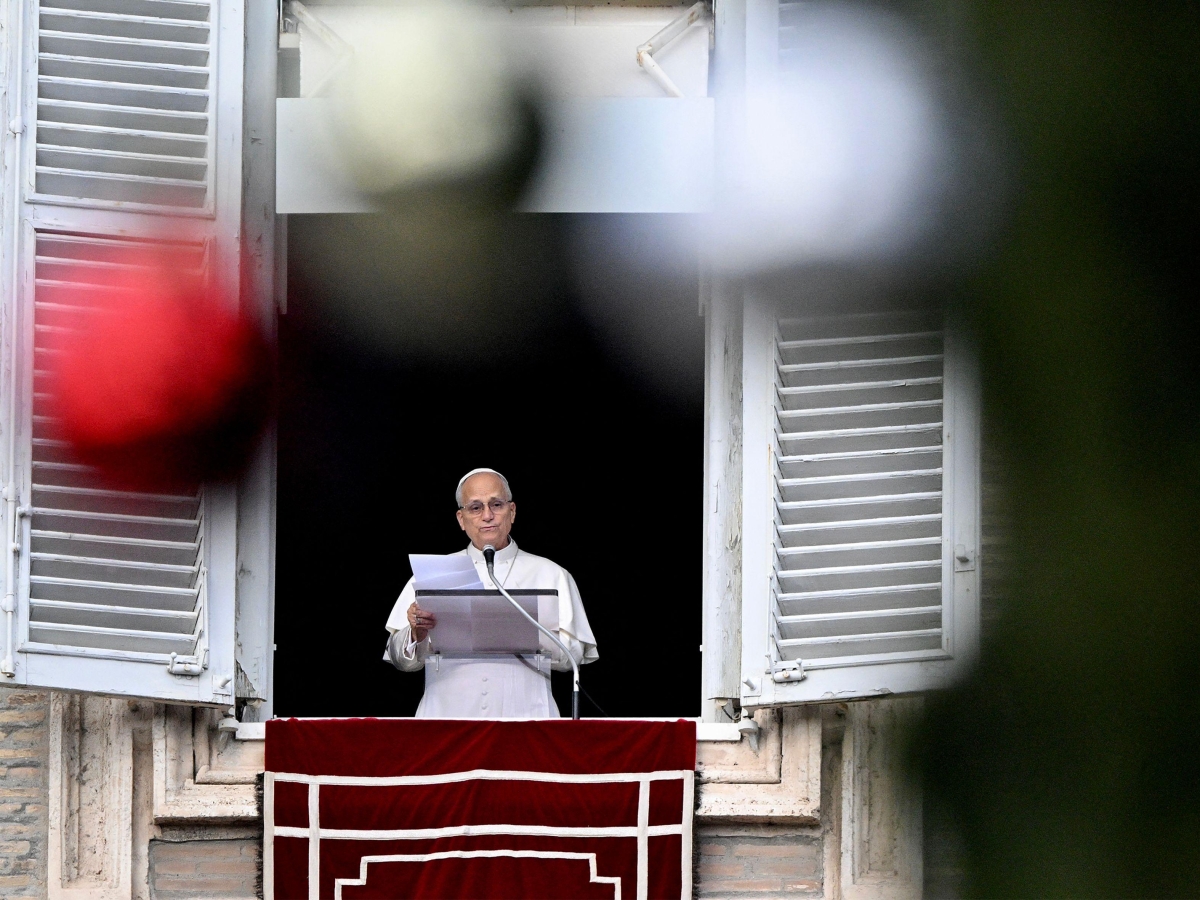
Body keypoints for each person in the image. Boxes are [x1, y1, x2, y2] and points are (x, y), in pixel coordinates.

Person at [384, 468, 598, 717]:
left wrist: (526, 633)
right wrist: (416, 633)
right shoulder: (432, 575)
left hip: (527, 718)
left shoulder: (551, 574)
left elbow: (574, 656)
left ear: (512, 511)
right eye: (475, 507)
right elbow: (401, 661)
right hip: (447, 719)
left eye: (496, 504)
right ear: (461, 519)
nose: (487, 515)